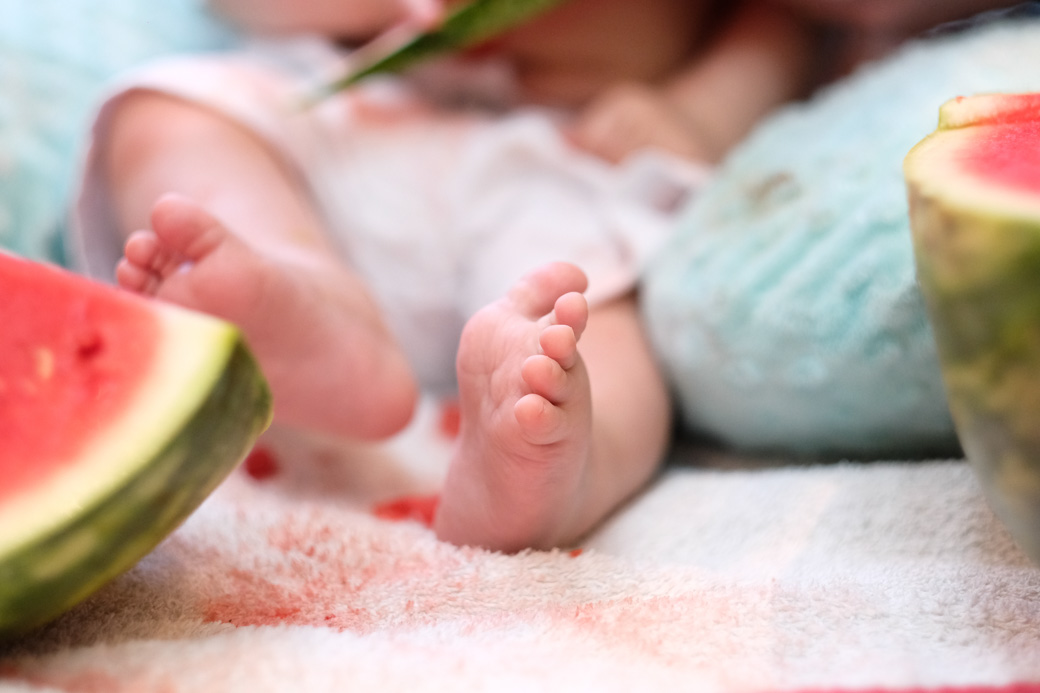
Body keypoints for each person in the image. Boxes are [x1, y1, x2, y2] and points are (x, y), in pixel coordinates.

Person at [70, 0, 817, 552]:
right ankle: (305, 300)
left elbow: (778, 29)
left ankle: (562, 463)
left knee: (585, 326)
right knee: (170, 111)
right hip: (353, 124)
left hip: (563, 151)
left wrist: (695, 115)